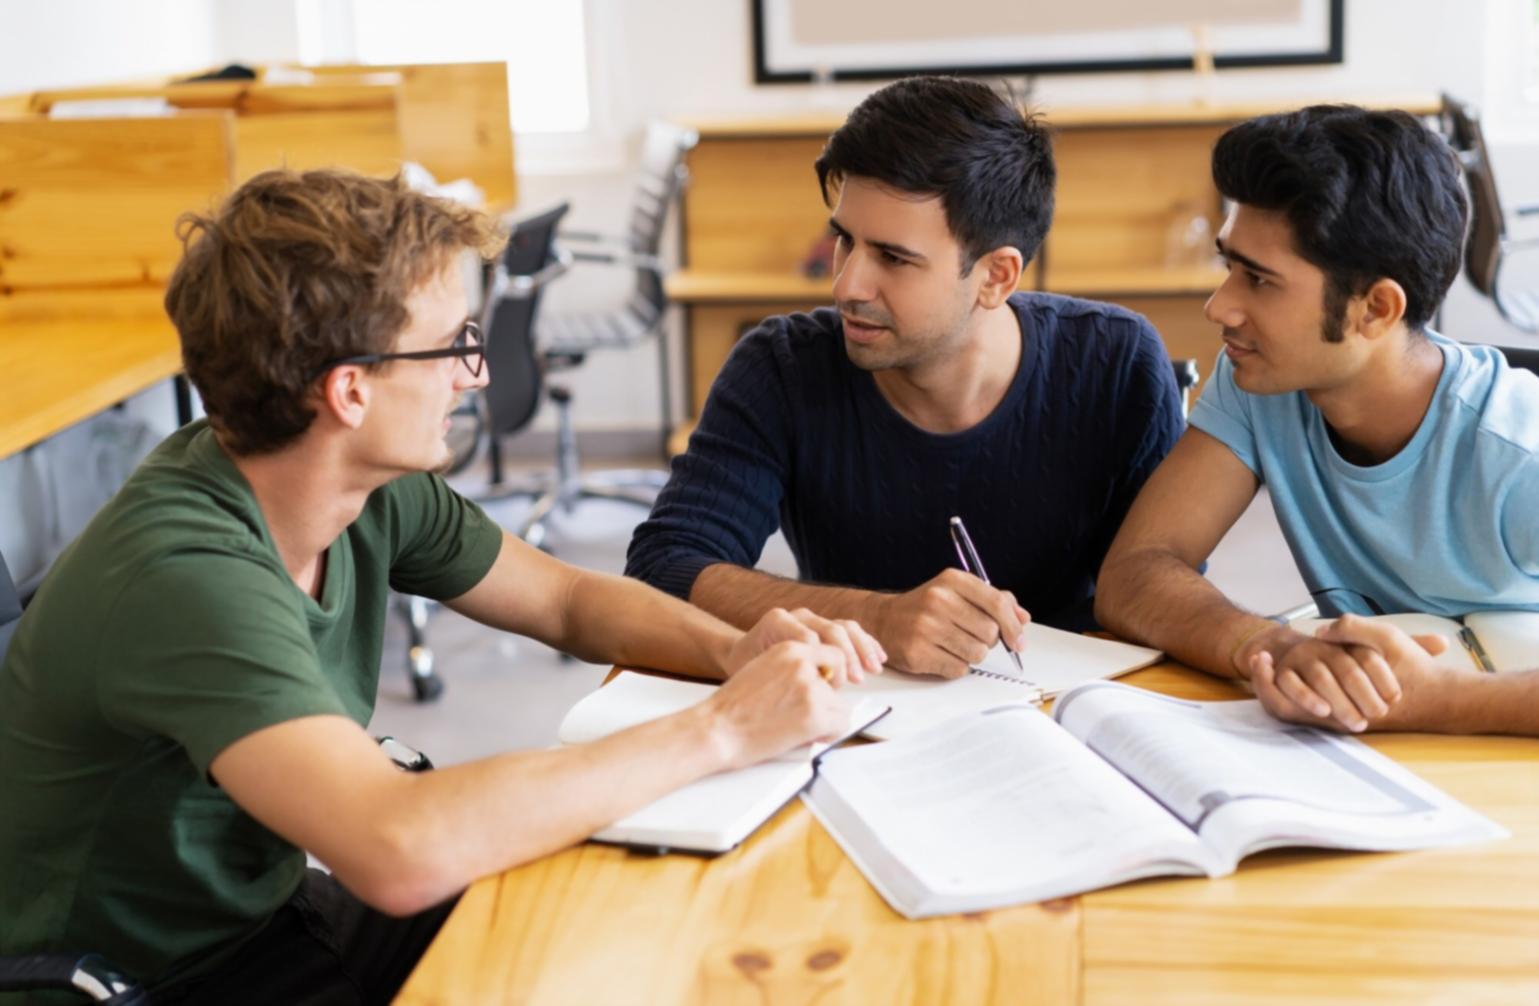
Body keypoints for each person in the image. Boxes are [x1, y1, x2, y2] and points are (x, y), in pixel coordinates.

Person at [0, 168, 883, 1004]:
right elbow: (397, 848)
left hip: (261, 912)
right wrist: (725, 728)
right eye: (454, 345)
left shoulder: (357, 484)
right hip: (152, 977)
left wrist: (735, 651)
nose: (478, 372)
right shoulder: (185, 576)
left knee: (590, 924)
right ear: (349, 389)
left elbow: (566, 601)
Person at [626, 76, 1185, 678]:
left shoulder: (1117, 364)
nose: (846, 286)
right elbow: (665, 568)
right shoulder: (780, 368)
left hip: (1072, 715)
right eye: (844, 240)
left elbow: (1163, 592)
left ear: (996, 276)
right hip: (862, 721)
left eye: (893, 258)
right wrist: (875, 617)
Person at [1095, 104, 1539, 736]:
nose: (1221, 308)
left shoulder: (1519, 452)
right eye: (1229, 267)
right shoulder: (1261, 384)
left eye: (1260, 280)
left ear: (1376, 309)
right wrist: (1266, 645)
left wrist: (1439, 699)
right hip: (1368, 756)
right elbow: (1137, 571)